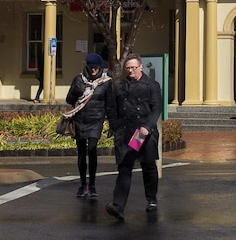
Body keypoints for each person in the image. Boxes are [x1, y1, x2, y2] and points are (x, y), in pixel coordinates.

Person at [105, 54, 163, 221]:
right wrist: (115, 126)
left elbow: (156, 108)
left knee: (148, 166)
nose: (130, 70)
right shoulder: (119, 86)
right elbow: (112, 108)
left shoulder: (151, 85)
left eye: (133, 67)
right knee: (124, 168)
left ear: (141, 67)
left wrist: (147, 126)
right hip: (125, 131)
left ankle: (151, 199)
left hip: (142, 131)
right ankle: (118, 206)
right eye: (128, 68)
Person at [65, 52, 111, 199]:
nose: (93, 70)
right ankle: (83, 184)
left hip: (96, 120)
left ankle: (92, 185)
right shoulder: (78, 79)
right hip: (80, 119)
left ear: (100, 67)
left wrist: (112, 124)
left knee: (92, 150)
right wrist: (75, 91)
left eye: (96, 68)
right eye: (91, 67)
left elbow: (109, 104)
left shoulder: (106, 82)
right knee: (81, 152)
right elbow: (69, 99)